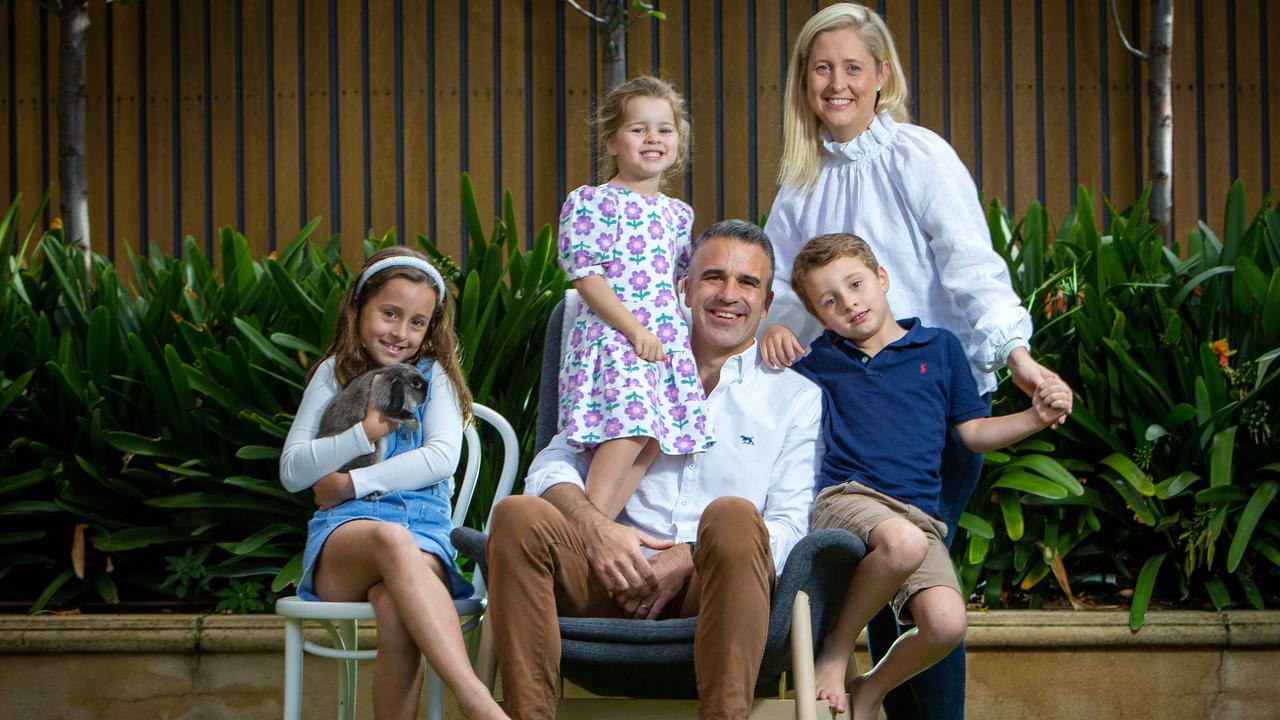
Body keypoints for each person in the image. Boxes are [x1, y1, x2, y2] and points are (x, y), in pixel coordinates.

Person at [759, 4, 1072, 717]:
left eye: (852, 68)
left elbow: (971, 266)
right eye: (820, 69)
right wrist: (773, 334)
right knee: (876, 570)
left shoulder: (919, 155)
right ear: (803, 82)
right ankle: (868, 700)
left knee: (923, 582)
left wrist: (1017, 359)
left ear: (883, 77)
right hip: (845, 413)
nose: (836, 83)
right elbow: (782, 292)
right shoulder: (800, 183)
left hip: (932, 402)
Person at [488, 220, 822, 720]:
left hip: (713, 588)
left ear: (767, 303)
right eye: (713, 277)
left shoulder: (795, 397)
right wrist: (598, 532)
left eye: (748, 283)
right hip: (605, 574)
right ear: (684, 288)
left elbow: (792, 525)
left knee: (733, 515)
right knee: (517, 514)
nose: (729, 295)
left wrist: (687, 558)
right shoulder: (630, 363)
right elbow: (551, 464)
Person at [787, 233, 1072, 719]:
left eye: (856, 284)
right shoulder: (819, 363)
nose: (849, 302)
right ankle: (835, 651)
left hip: (918, 516)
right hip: (846, 497)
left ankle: (872, 687)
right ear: (818, 317)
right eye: (830, 301)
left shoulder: (939, 348)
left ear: (882, 279)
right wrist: (771, 335)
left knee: (945, 624)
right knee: (902, 544)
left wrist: (1036, 417)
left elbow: (974, 432)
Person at [278, 247, 507, 720]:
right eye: (389, 314)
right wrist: (363, 433)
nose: (401, 333)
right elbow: (294, 470)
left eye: (418, 322)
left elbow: (443, 457)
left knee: (398, 611)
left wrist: (353, 482)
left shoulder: (434, 376)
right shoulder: (333, 374)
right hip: (348, 545)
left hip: (423, 536)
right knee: (388, 537)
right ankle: (477, 700)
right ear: (358, 307)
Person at [555, 75, 713, 521]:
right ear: (611, 141)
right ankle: (581, 533)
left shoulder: (679, 215)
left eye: (665, 129)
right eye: (638, 128)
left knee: (651, 440)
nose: (653, 138)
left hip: (662, 345)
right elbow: (586, 276)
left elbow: (678, 282)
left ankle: (596, 528)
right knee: (631, 428)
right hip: (617, 339)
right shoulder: (591, 202)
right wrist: (634, 330)